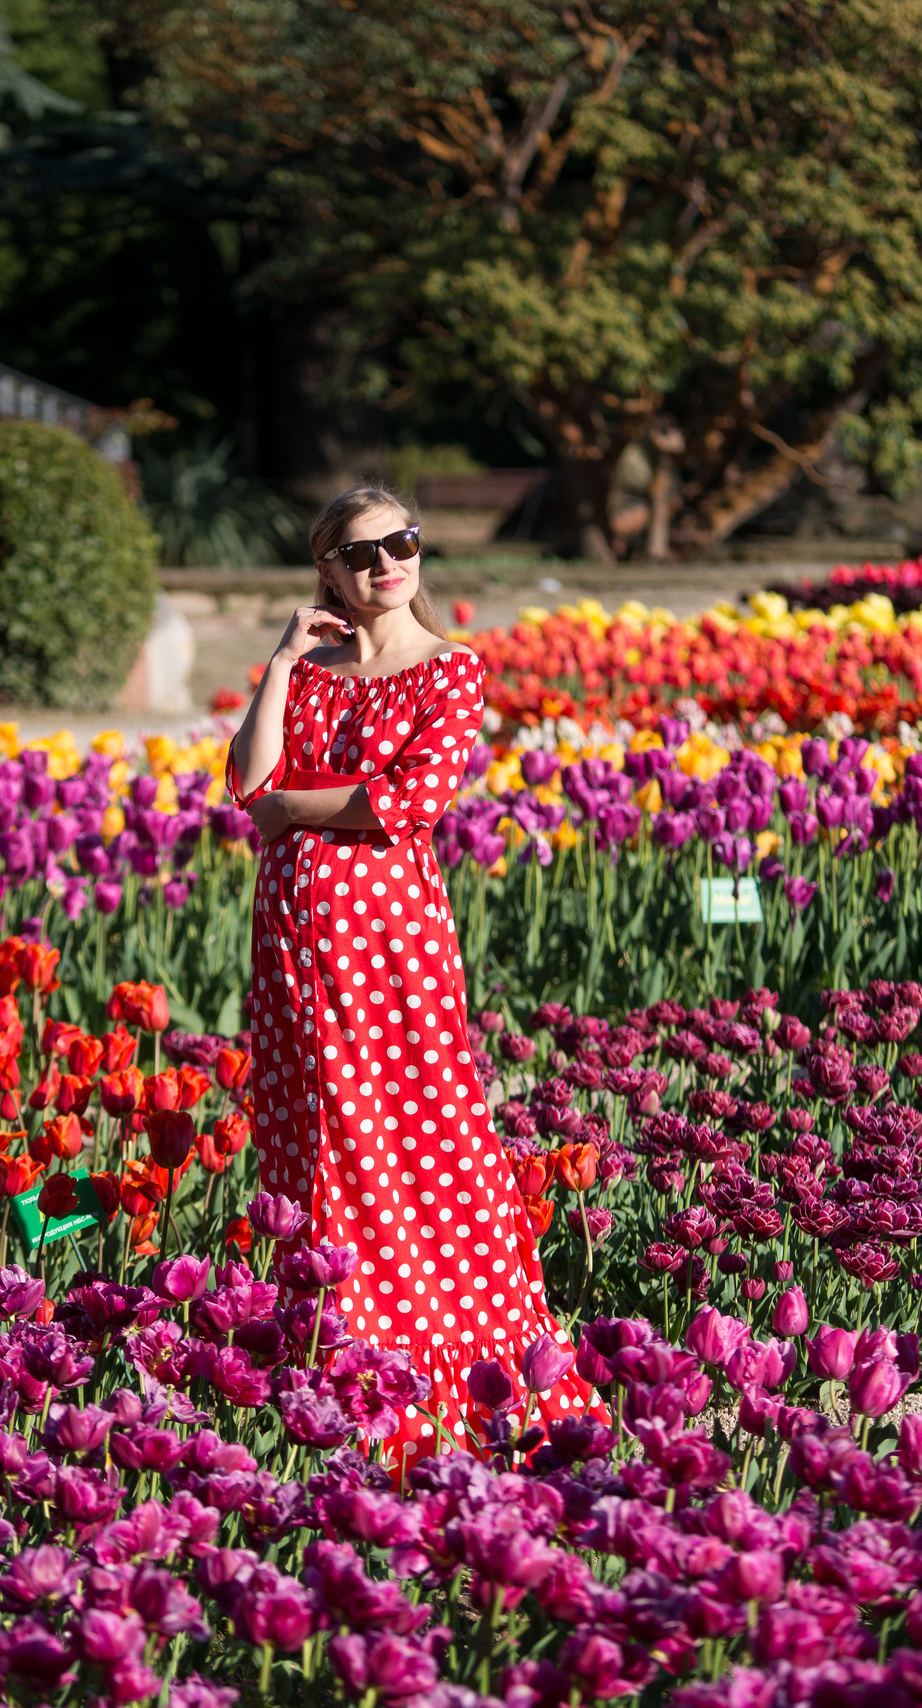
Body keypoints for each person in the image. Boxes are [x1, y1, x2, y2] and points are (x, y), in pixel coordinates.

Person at [226, 483, 603, 1450]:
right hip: (291, 936)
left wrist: (294, 808)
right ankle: (331, 1336)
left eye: (401, 542)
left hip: (389, 941)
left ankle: (452, 1350)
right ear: (327, 571)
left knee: (420, 1124)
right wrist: (280, 662)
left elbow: (409, 799)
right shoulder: (310, 674)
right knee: (314, 1127)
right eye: (360, 553)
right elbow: (244, 780)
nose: (386, 563)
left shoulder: (448, 670)